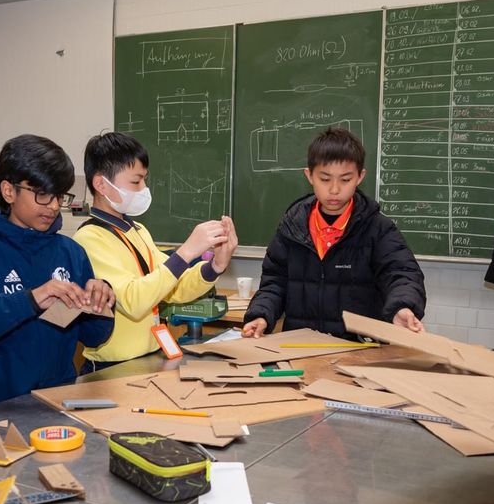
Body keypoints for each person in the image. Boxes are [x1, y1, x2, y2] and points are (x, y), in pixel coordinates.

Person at [0, 134, 115, 409]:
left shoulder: (70, 252)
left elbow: (94, 336)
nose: (53, 205)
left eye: (59, 195)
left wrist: (101, 303)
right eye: (42, 194)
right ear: (8, 191)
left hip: (59, 405)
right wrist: (27, 301)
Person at [73, 132, 238, 372]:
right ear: (100, 184)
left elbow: (174, 287)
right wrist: (186, 252)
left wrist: (215, 267)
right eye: (135, 181)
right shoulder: (89, 239)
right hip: (113, 366)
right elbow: (133, 300)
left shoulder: (138, 230)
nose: (143, 189)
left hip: (150, 358)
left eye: (144, 180)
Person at [242, 127, 426, 339]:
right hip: (298, 348)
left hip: (357, 351)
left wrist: (401, 307)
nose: (335, 189)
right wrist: (261, 315)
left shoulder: (377, 228)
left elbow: (402, 274)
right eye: (325, 179)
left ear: (360, 177)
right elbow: (274, 283)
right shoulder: (292, 227)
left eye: (345, 179)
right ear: (309, 176)